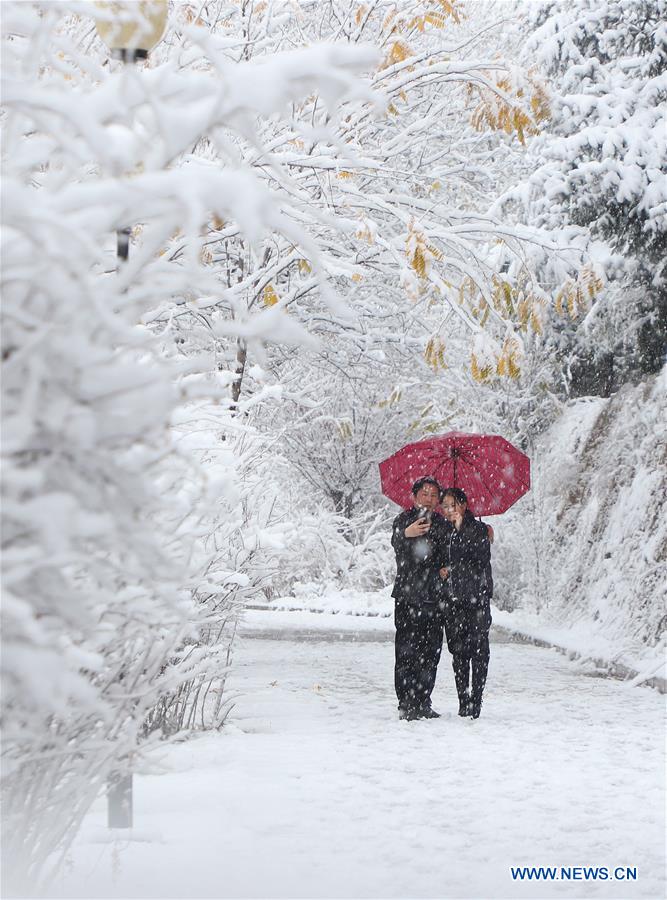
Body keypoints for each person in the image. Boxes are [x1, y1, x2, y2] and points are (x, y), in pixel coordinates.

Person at [391, 476, 449, 721]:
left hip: (433, 597)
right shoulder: (403, 520)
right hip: (407, 596)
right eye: (425, 493)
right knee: (406, 651)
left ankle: (423, 701)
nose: (430, 498)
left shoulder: (443, 524)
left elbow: (451, 552)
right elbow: (396, 543)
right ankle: (406, 703)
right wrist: (408, 533)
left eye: (434, 495)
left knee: (431, 652)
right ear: (415, 496)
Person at [439, 487, 492, 719]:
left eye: (452, 505)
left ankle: (476, 700)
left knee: (479, 651)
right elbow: (439, 558)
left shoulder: (480, 529)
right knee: (458, 652)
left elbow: (480, 558)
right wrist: (441, 569)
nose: (448, 510)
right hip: (453, 600)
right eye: (445, 506)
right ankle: (463, 699)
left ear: (463, 505)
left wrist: (462, 530)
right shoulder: (443, 531)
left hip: (477, 598)